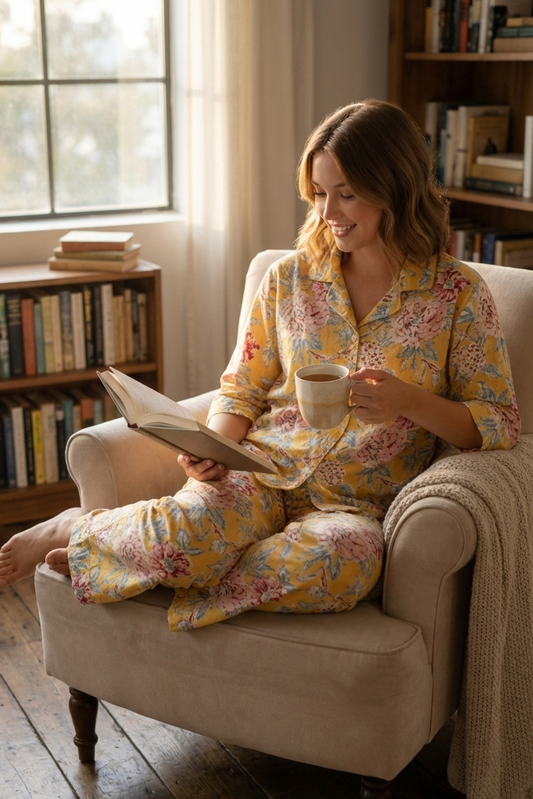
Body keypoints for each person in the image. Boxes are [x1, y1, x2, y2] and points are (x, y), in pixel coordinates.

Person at [0, 100, 520, 631]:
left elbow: (499, 421)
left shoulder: (457, 294)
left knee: (342, 565)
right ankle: (84, 530)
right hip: (261, 471)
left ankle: (139, 558)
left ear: (396, 188)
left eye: (346, 194)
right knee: (192, 530)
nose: (329, 212)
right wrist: (213, 450)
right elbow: (242, 388)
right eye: (318, 193)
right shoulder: (288, 278)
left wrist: (408, 400)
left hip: (355, 508)